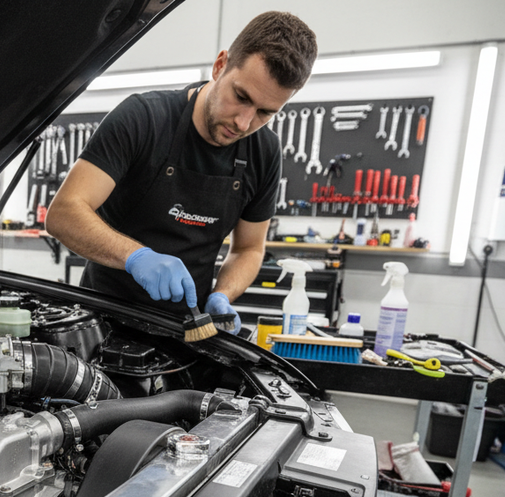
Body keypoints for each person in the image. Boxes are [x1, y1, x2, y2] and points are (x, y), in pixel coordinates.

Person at [45, 11, 317, 332]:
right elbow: (63, 213)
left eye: (265, 113)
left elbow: (248, 248)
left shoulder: (264, 152)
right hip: (104, 322)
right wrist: (136, 257)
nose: (244, 123)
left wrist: (223, 294)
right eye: (241, 97)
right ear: (220, 66)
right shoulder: (143, 119)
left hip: (188, 331)